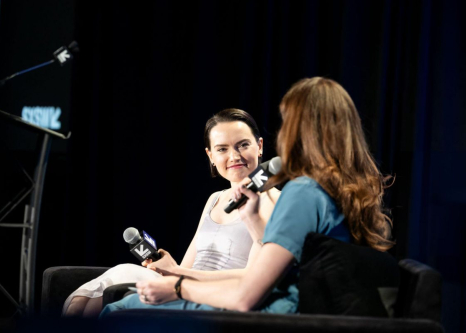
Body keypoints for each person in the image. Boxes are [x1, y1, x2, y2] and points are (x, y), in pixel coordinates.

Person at [100, 77, 395, 315]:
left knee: (120, 310)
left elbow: (247, 296)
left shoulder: (302, 194)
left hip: (273, 317)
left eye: (286, 122)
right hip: (301, 311)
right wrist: (253, 219)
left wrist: (177, 289)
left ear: (299, 130)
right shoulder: (342, 192)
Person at [63, 108, 280, 317]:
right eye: (222, 149)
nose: (234, 156)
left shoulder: (273, 200)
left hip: (213, 296)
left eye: (243, 145)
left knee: (113, 289)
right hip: (182, 284)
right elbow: (184, 266)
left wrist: (177, 274)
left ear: (259, 146)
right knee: (83, 301)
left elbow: (254, 278)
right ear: (210, 155)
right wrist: (165, 268)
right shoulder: (214, 199)